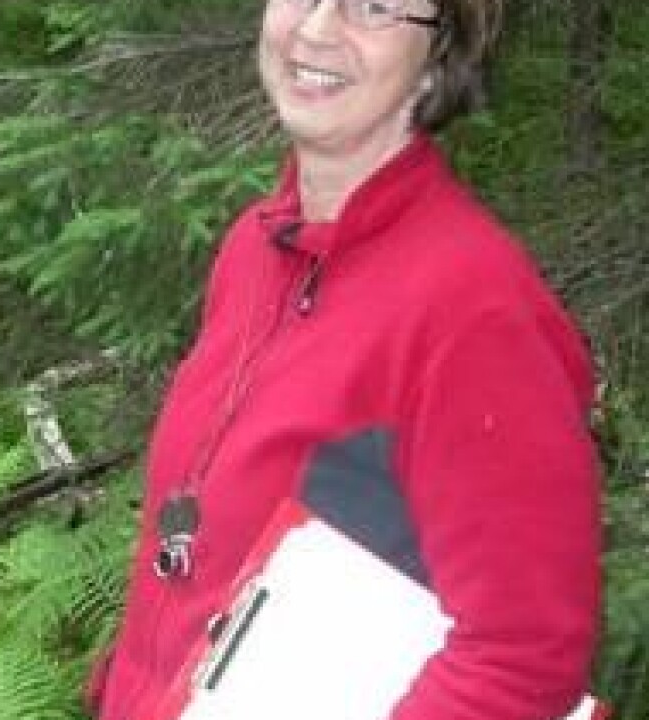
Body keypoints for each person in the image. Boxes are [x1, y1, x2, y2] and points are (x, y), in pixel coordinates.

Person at [86, 0, 603, 718]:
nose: (318, 28)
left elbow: (524, 658)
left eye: (374, 6)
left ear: (439, 52)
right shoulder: (256, 249)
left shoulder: (475, 309)